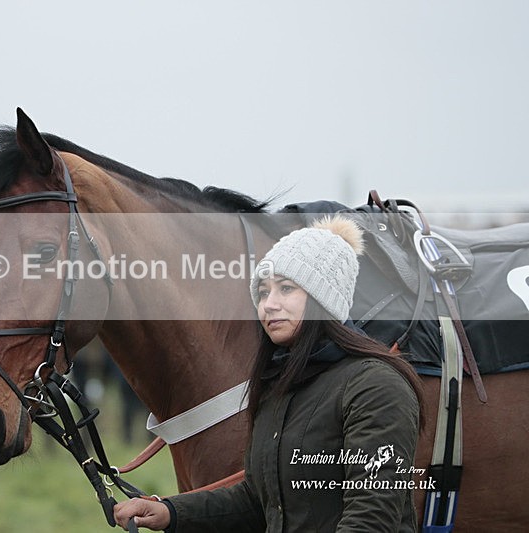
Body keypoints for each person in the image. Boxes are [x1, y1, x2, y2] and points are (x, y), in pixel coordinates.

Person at [114, 215, 424, 532]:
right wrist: (168, 512)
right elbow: (259, 500)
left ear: (323, 296)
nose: (269, 305)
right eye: (263, 292)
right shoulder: (279, 386)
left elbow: (370, 522)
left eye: (286, 288)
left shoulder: (376, 387)